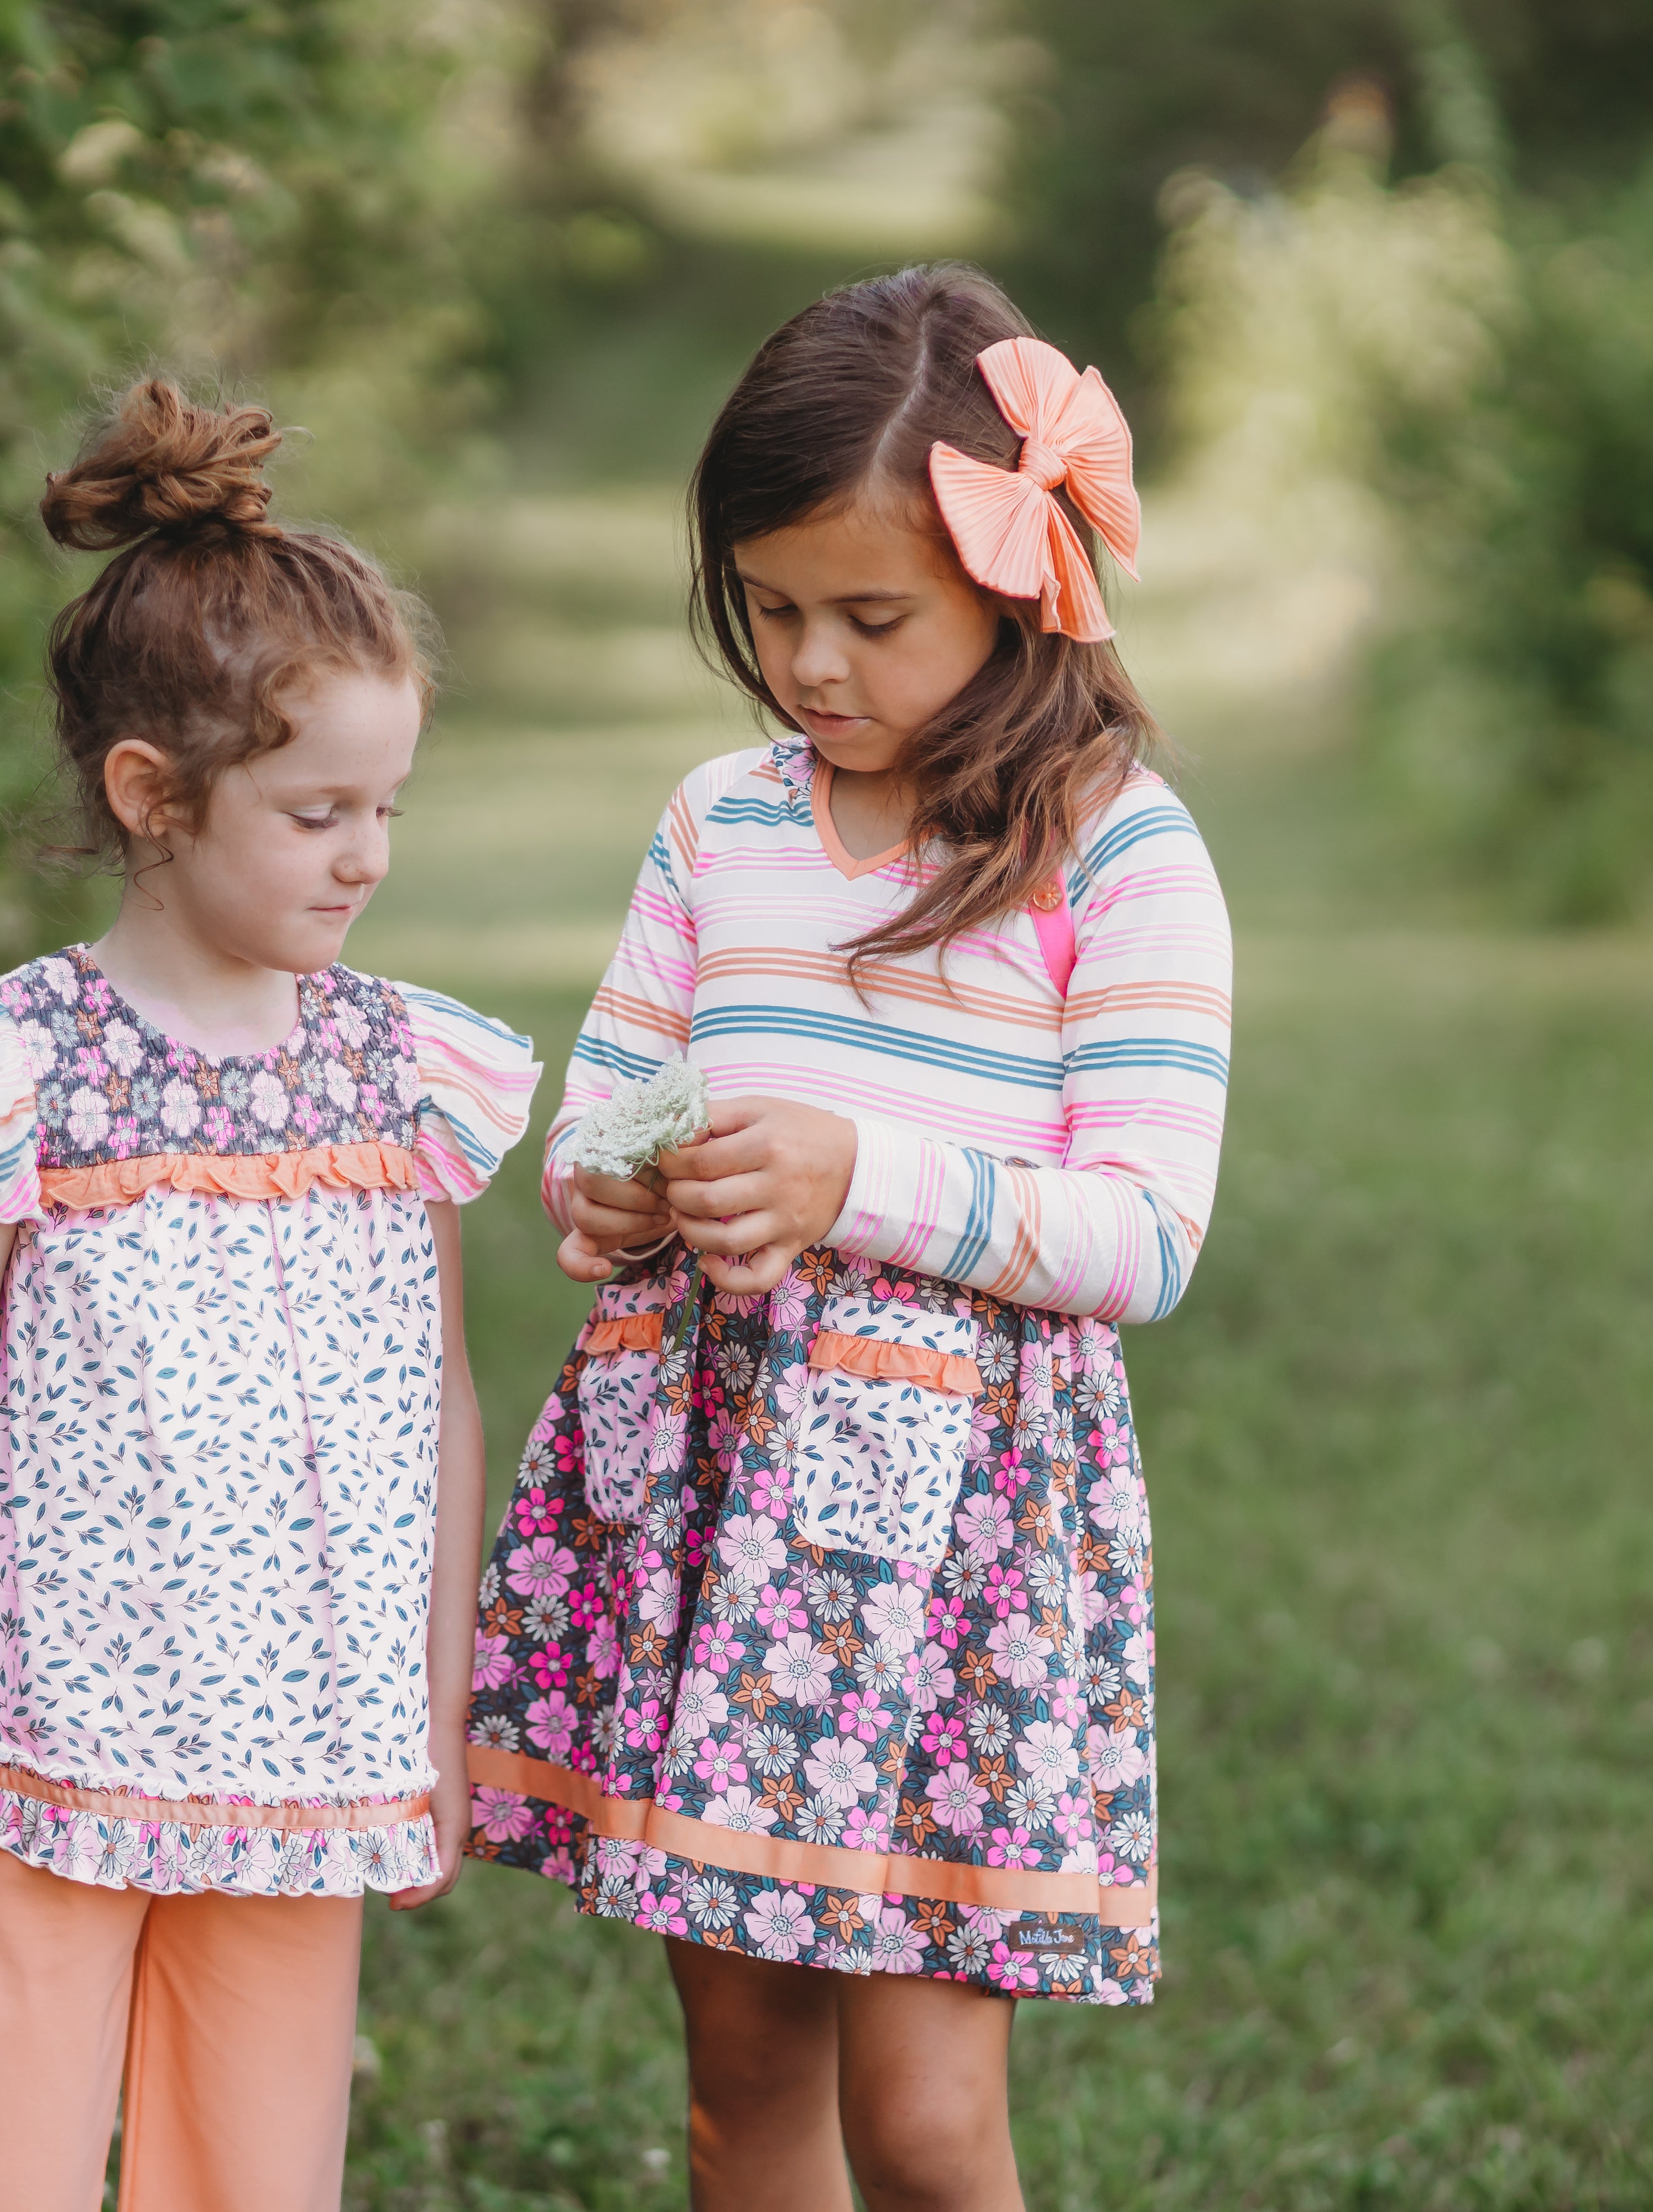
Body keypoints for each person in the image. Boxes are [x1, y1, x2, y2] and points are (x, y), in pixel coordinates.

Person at [461, 264, 1231, 2211]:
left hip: (956, 1547)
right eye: (774, 607)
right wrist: (617, 1186)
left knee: (928, 2121)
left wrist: (849, 1176)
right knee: (741, 2084)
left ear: (1019, 575)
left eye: (870, 616)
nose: (813, 663)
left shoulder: (1117, 851)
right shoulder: (723, 824)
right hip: (722, 1505)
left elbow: (1144, 1236)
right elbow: (609, 1103)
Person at [0, 379, 539, 2212]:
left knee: (261, 2167)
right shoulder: (18, 1072)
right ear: (153, 796)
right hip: (51, 1732)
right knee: (0, 2164)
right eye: (317, 812)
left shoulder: (406, 1076)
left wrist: (435, 1713)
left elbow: (442, 1395)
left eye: (384, 804)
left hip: (306, 1743)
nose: (367, 854)